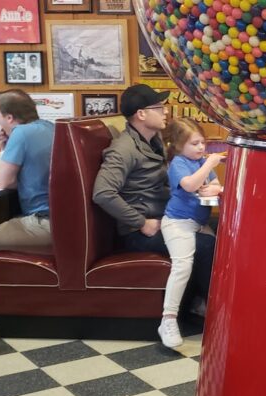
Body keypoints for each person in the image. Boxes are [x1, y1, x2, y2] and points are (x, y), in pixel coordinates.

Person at [93, 84, 216, 315]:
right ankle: (213, 309)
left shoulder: (155, 140)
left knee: (220, 230)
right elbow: (103, 192)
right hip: (140, 231)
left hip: (167, 219)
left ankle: (199, 302)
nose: (165, 112)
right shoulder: (123, 149)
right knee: (207, 245)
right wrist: (141, 222)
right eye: (159, 108)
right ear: (141, 114)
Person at [157, 119, 223, 347]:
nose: (201, 147)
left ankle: (201, 304)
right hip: (177, 223)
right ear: (177, 145)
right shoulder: (179, 163)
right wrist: (209, 165)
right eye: (194, 143)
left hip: (198, 223)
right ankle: (168, 319)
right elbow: (189, 185)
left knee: (217, 258)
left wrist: (215, 185)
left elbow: (217, 185)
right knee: (182, 265)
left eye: (202, 142)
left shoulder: (202, 162)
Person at [0, 90, 54, 257]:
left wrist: (8, 145)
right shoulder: (50, 126)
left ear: (9, 118)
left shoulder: (21, 133)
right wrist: (4, 148)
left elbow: (4, 181)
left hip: (43, 221)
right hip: (61, 218)